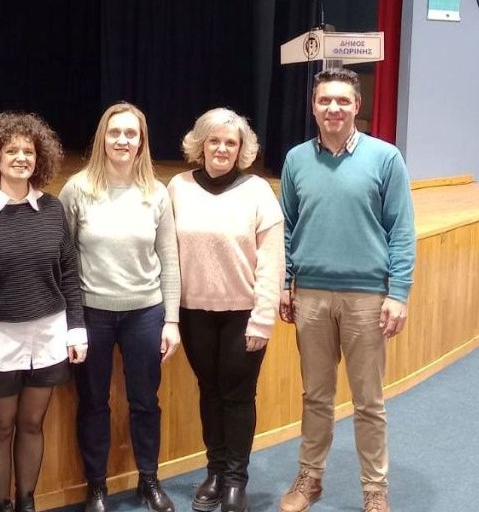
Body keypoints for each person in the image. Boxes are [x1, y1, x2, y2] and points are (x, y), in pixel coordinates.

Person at [277, 68, 416, 512]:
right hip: (311, 296)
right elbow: (286, 227)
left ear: (357, 105)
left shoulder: (386, 158)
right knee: (315, 397)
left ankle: (375, 489)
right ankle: (310, 477)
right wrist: (284, 283)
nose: (333, 108)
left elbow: (402, 231)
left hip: (366, 298)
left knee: (369, 402)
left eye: (342, 100)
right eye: (324, 101)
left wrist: (399, 292)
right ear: (313, 107)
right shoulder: (296, 159)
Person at [0, 112, 88, 512]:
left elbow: (69, 272)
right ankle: (3, 506)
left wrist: (76, 329)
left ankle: (27, 503)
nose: (20, 158)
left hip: (47, 335)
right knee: (0, 427)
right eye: (11, 150)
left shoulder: (52, 209)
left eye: (28, 151)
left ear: (39, 158)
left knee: (32, 424)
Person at [59, 103, 181, 512]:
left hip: (145, 312)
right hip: (91, 313)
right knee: (93, 401)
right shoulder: (77, 189)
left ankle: (149, 479)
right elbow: (65, 259)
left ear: (141, 141)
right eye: (115, 133)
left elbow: (169, 258)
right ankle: (97, 486)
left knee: (145, 400)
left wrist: (172, 320)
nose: (123, 140)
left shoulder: (156, 192)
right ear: (103, 138)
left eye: (131, 133)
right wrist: (71, 320)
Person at [168, 108, 285, 512]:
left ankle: (236, 480)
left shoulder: (258, 191)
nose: (221, 149)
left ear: (241, 149)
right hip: (193, 312)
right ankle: (215, 471)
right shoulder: (178, 187)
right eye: (214, 141)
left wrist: (263, 319)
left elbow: (272, 261)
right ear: (200, 144)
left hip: (243, 314)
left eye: (230, 143)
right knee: (209, 391)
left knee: (237, 395)